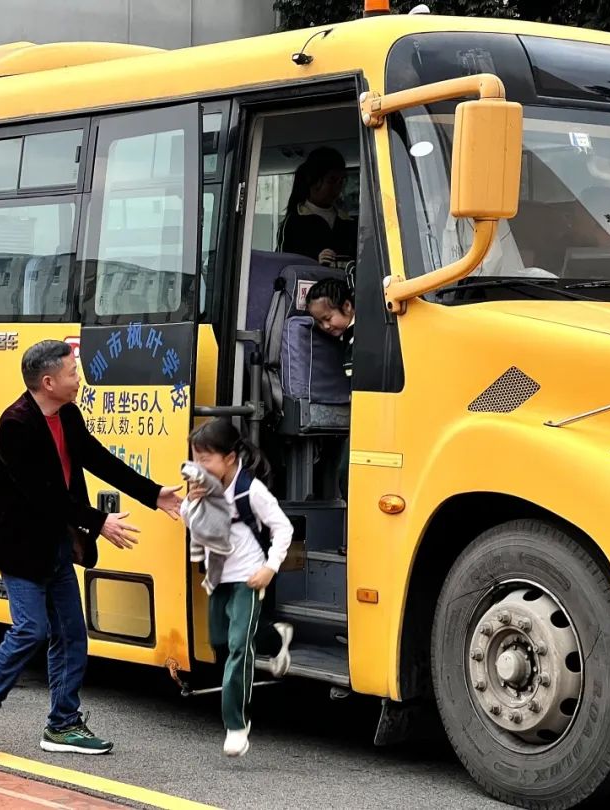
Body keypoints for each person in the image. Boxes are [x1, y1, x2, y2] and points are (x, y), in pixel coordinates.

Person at [0, 339, 183, 755]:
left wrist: (153, 495)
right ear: (48, 381)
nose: (78, 378)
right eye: (71, 373)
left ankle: (62, 724)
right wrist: (100, 522)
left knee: (72, 636)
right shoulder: (15, 426)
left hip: (58, 546)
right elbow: (43, 497)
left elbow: (100, 459)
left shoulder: (68, 415)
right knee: (31, 629)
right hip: (23, 549)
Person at [181, 418, 294, 758]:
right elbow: (191, 521)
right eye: (196, 459)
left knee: (238, 648)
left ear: (229, 458)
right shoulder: (203, 489)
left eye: (206, 459)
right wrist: (192, 502)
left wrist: (269, 569)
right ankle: (277, 637)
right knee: (220, 640)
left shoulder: (250, 490)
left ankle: (236, 724)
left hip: (248, 575)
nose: (199, 466)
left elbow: (283, 528)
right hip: (219, 576)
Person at [305, 278, 355, 499]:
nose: (325, 326)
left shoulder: (361, 337)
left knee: (348, 473)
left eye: (327, 318)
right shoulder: (349, 335)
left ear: (347, 306)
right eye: (319, 322)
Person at [278, 147, 358, 266]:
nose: (337, 188)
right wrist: (315, 261)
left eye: (341, 181)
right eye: (331, 180)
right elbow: (284, 265)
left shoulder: (349, 222)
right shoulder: (294, 222)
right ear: (313, 180)